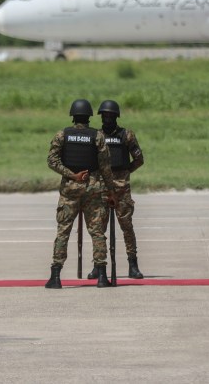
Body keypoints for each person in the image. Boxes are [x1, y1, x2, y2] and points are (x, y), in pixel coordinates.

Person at [45, 99, 116, 289]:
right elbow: (105, 167)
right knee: (97, 232)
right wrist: (111, 191)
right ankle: (101, 276)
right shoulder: (97, 136)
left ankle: (56, 276)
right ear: (89, 117)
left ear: (73, 116)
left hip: (70, 190)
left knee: (63, 232)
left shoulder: (62, 135)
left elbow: (51, 161)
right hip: (94, 190)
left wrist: (72, 175)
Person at [85, 99, 145, 280]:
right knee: (98, 227)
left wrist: (125, 172)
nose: (108, 118)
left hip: (122, 187)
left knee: (126, 226)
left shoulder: (127, 135)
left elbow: (139, 159)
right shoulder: (96, 135)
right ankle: (98, 265)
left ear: (116, 116)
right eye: (105, 115)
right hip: (102, 186)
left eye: (111, 115)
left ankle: (133, 265)